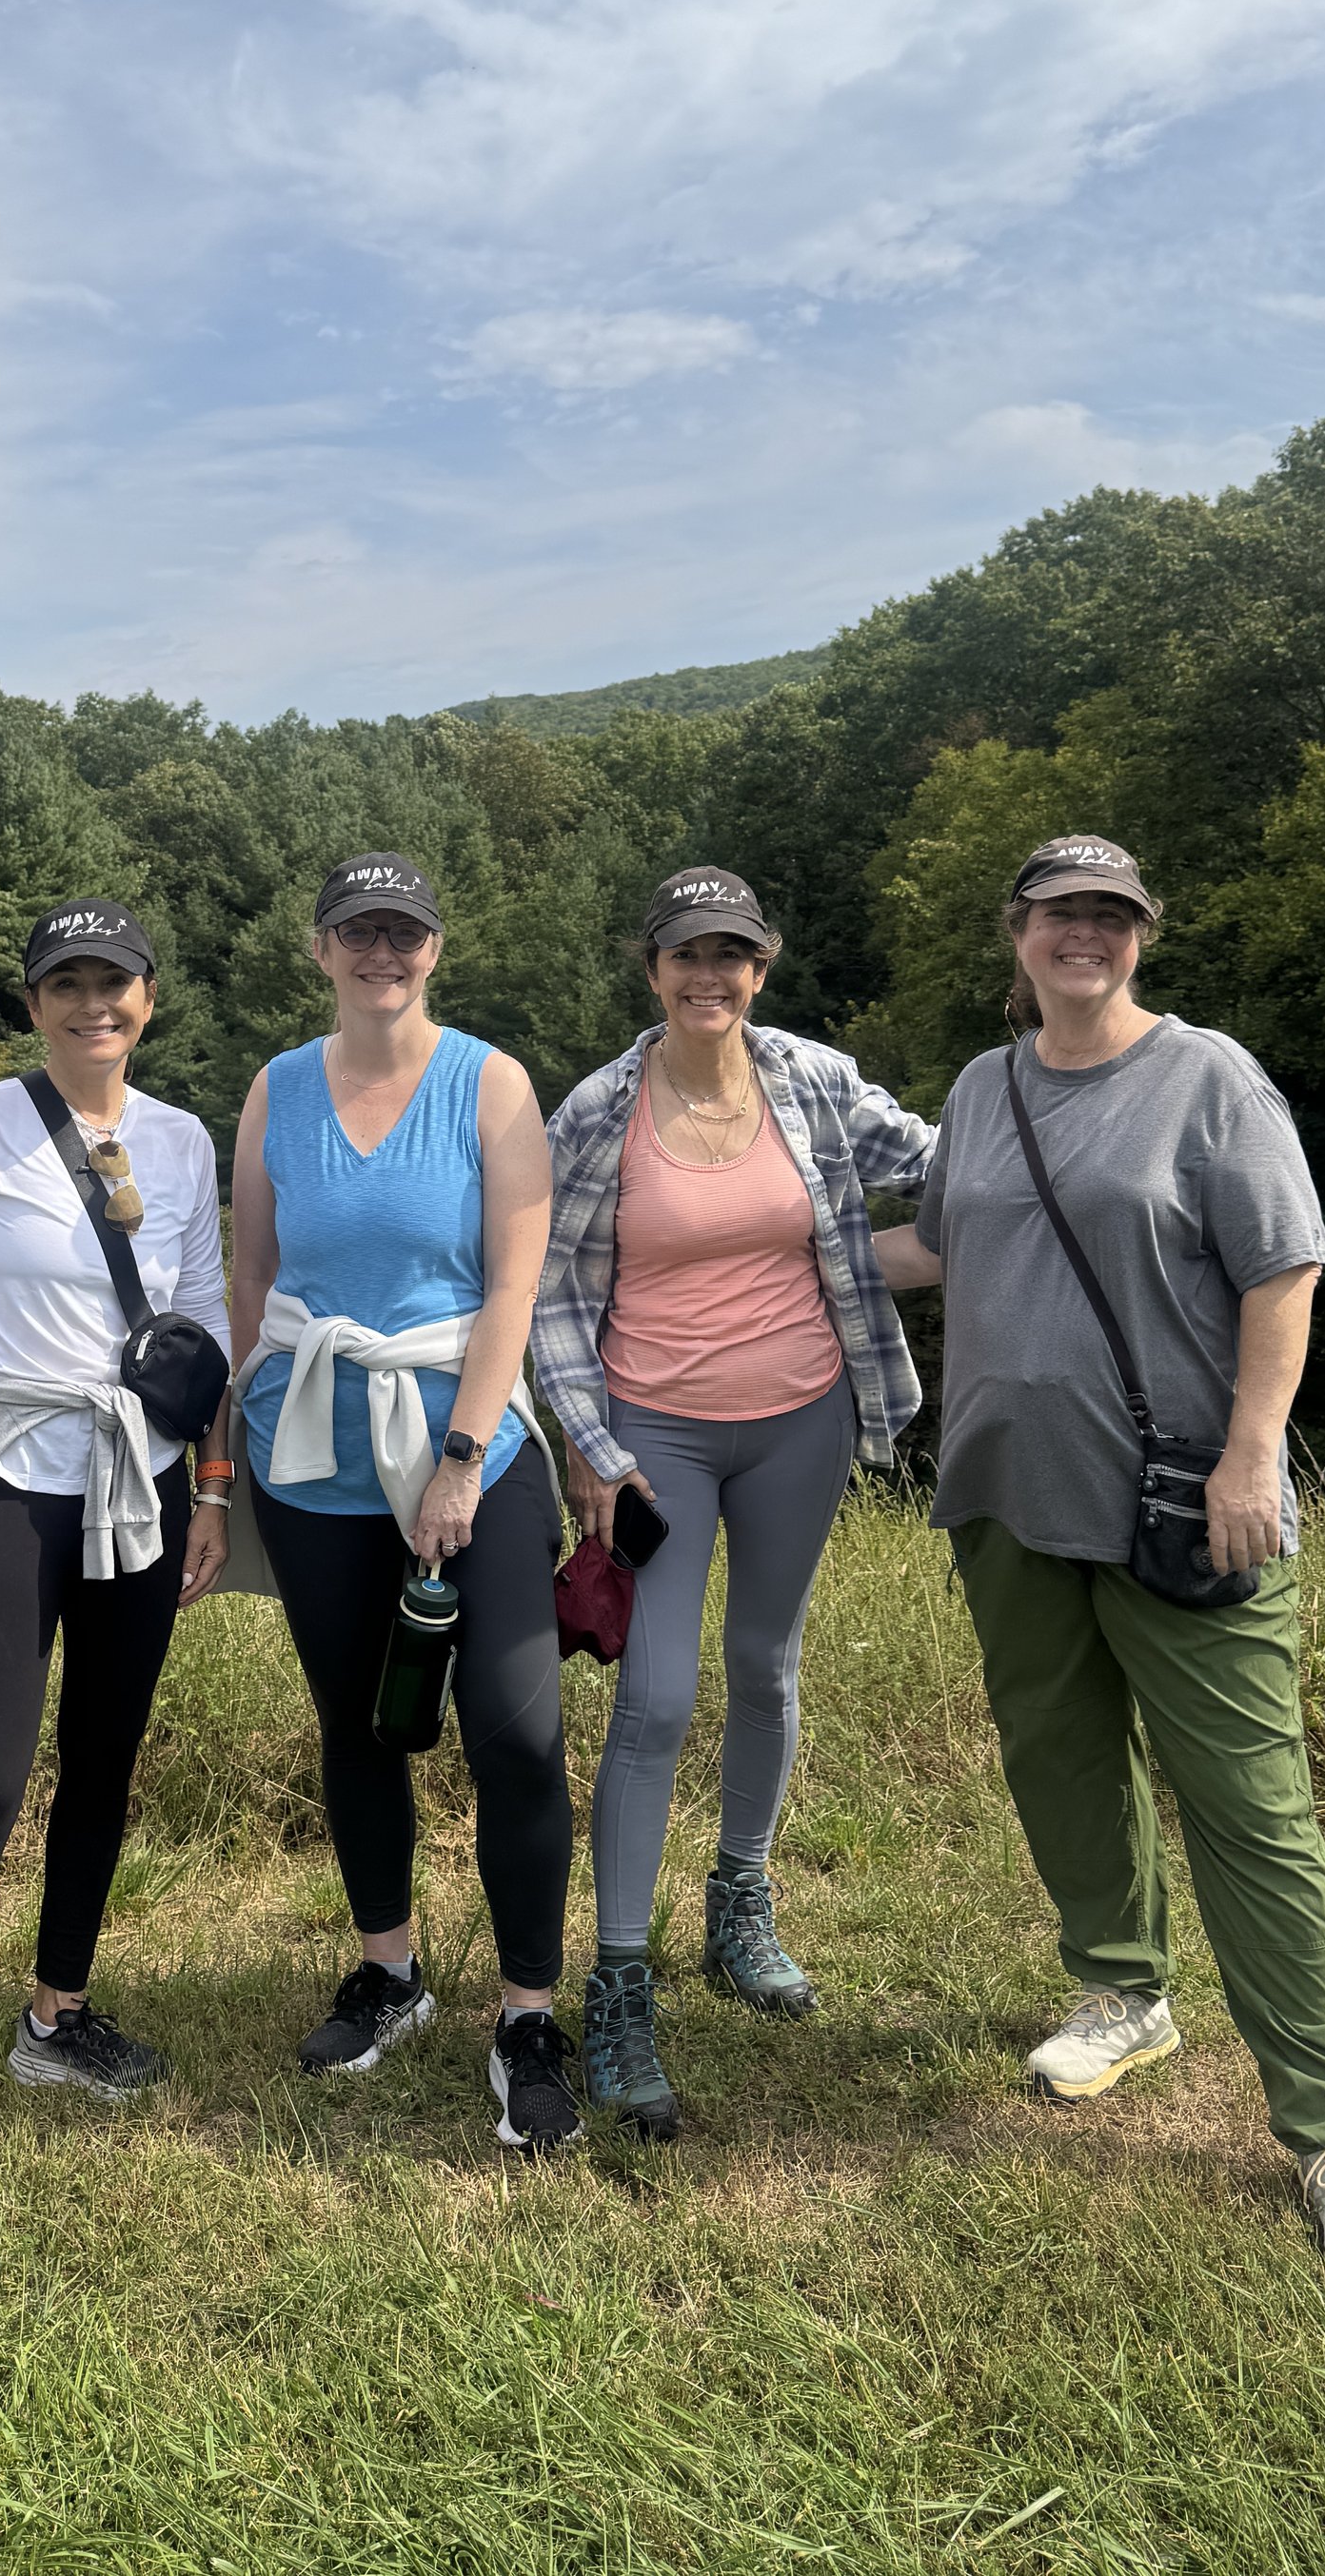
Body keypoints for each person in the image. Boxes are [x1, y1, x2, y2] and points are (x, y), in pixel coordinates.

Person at [871, 833, 1325, 2288]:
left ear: (1142, 936)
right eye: (1063, 914)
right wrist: (731, 1243)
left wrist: (1256, 1452)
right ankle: (1122, 1989)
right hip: (1004, 1490)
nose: (1086, 938)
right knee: (1056, 1754)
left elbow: (1283, 1269)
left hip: (1185, 1504)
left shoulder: (1209, 1076)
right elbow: (936, 1245)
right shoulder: (984, 1091)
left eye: (1112, 917)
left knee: (1252, 1810)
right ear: (1019, 931)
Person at [535, 865, 937, 2138]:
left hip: (802, 1420)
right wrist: (592, 1447)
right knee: (652, 1698)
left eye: (734, 954)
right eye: (685, 954)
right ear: (650, 968)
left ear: (763, 966)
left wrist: (1057, 1139)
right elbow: (546, 1289)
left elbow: (950, 1163)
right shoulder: (600, 1109)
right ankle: (619, 1980)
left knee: (765, 1662)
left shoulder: (814, 1080)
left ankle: (741, 1904)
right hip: (655, 1440)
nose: (710, 975)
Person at [0, 900, 232, 2267]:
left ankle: (56, 2013)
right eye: (67, 983)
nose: (94, 1004)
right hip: (9, 1466)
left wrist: (211, 1488)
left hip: (137, 1475)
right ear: (35, 1002)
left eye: (115, 983)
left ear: (149, 997)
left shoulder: (188, 1139)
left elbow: (200, 1329)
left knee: (105, 1758)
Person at [227, 853, 579, 2152]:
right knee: (359, 1721)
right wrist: (223, 1458)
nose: (385, 953)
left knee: (514, 1729)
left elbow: (510, 1285)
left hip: (464, 1431)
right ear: (319, 947)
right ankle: (390, 1970)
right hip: (309, 1439)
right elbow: (250, 1273)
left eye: (406, 933)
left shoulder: (491, 1084)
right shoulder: (275, 1091)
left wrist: (461, 1456)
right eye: (360, 932)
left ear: (437, 947)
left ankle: (530, 2011)